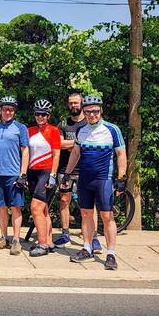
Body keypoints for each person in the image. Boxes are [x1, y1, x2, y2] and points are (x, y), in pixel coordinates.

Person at [64, 95, 127, 270]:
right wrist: (68, 174)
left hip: (103, 179)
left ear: (101, 111)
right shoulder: (81, 130)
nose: (92, 114)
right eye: (88, 111)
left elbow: (121, 155)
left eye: (95, 111)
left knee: (107, 216)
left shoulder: (112, 129)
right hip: (85, 179)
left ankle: (111, 253)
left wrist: (122, 178)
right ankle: (87, 247)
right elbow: (75, 153)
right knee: (85, 214)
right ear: (84, 112)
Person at [54, 92, 102, 253]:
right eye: (70, 103)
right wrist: (77, 142)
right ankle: (65, 234)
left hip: (85, 170)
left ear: (81, 103)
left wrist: (72, 144)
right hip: (65, 170)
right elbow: (58, 144)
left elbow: (90, 142)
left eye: (75, 102)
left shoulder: (88, 122)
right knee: (64, 201)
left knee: (88, 206)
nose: (73, 105)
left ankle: (93, 238)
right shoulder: (63, 124)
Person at [0, 96, 29, 255]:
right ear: (0, 111)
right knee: (1, 207)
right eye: (5, 109)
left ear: (14, 111)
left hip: (14, 174)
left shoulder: (20, 128)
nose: (8, 112)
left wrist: (23, 174)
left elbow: (25, 150)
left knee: (16, 207)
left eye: (11, 109)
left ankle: (16, 240)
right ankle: (3, 237)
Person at [27, 99, 61, 257]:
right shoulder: (30, 130)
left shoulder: (53, 131)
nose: (40, 117)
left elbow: (56, 155)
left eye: (43, 114)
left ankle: (41, 244)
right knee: (44, 209)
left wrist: (53, 175)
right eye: (37, 114)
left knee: (36, 208)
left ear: (48, 115)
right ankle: (48, 241)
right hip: (32, 172)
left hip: (46, 172)